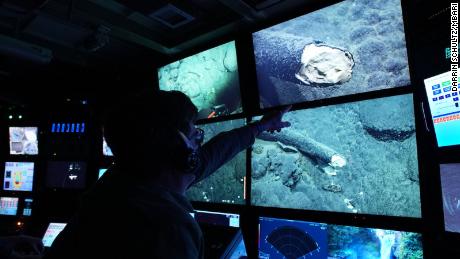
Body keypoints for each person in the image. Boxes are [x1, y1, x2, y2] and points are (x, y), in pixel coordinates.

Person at [43, 89, 291, 259]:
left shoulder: (118, 183)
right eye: (196, 136)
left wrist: (260, 127)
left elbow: (208, 157)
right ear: (175, 147)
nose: (198, 144)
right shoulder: (167, 230)